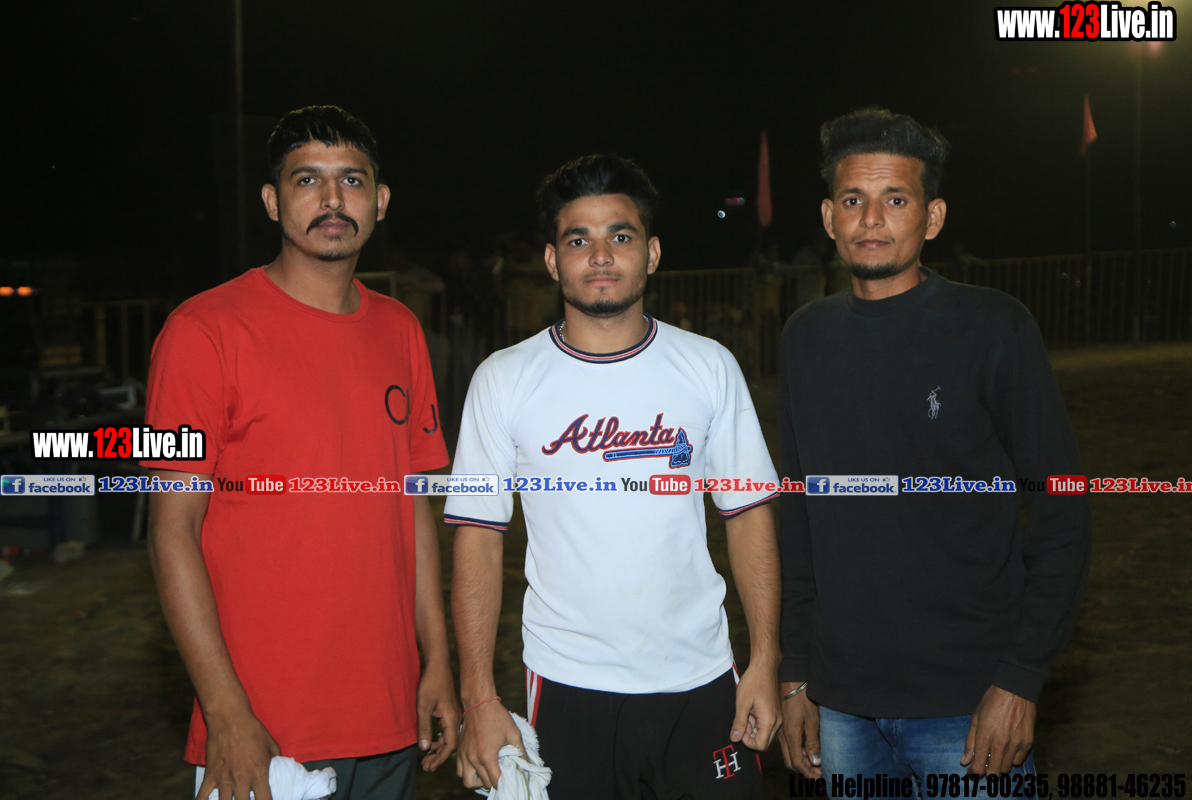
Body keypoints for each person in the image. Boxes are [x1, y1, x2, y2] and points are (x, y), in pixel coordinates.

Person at [142, 106, 458, 800]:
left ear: (379, 201)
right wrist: (225, 712)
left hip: (389, 717)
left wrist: (436, 660)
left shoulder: (401, 330)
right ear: (272, 200)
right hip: (263, 729)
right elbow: (171, 531)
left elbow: (412, 511)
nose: (332, 198)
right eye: (307, 180)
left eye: (352, 180)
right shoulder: (201, 331)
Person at [448, 154, 783, 799]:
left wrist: (765, 661)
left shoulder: (709, 365)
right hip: (567, 684)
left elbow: (747, 516)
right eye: (579, 240)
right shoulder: (502, 379)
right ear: (552, 261)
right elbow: (478, 538)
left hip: (701, 678)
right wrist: (479, 698)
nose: (600, 256)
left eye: (620, 236)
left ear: (652, 253)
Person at [776, 109, 1091, 784]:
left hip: (970, 703)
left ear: (933, 216)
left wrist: (1021, 678)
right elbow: (795, 518)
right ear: (829, 217)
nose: (871, 219)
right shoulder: (805, 338)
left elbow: (1062, 509)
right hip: (842, 704)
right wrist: (795, 673)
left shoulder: (994, 327)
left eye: (896, 200)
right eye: (853, 201)